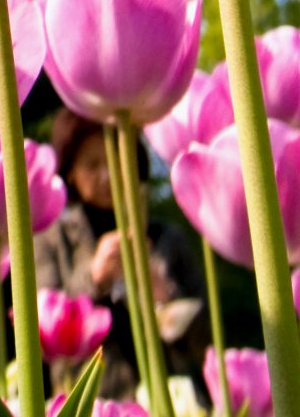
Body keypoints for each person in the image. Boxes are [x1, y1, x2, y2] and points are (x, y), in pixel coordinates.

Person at [33, 111, 202, 399]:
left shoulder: (166, 239)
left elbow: (206, 339)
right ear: (71, 171)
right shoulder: (52, 239)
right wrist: (93, 278)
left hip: (169, 398)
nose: (107, 175)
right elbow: (36, 325)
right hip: (90, 398)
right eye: (92, 164)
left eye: (116, 160)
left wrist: (165, 297)